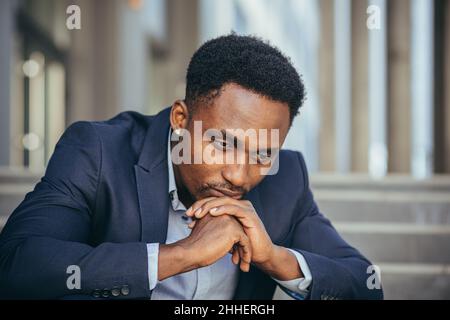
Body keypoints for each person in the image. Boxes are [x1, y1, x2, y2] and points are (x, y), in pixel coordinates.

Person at [0, 34, 383, 300]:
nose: (239, 176)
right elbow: (17, 264)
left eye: (262, 154)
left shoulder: (286, 180)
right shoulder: (99, 151)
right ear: (180, 119)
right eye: (222, 143)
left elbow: (365, 283)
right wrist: (181, 254)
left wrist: (273, 258)